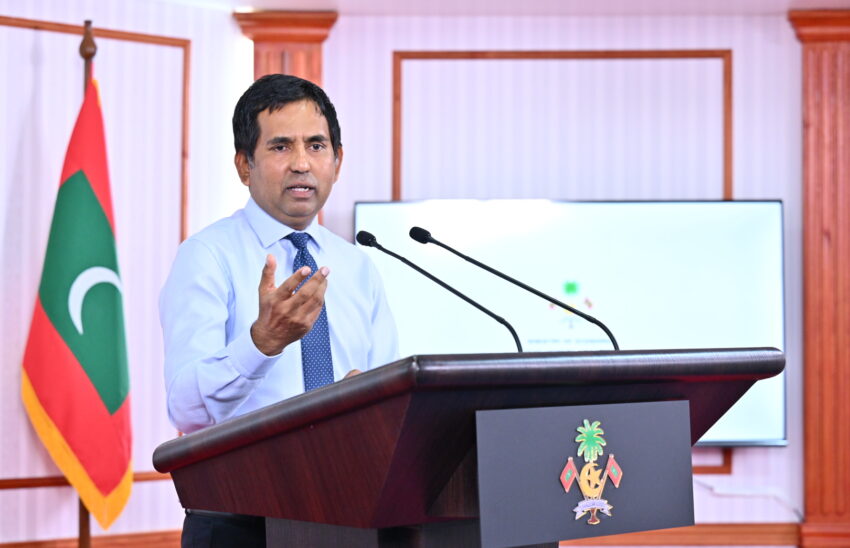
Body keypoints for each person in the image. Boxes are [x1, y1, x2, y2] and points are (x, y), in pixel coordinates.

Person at [159, 74, 399, 547]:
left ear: (337, 161)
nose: (302, 163)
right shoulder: (207, 256)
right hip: (240, 519)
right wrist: (261, 343)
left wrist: (373, 399)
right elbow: (186, 408)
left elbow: (387, 388)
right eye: (281, 147)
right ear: (244, 165)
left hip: (348, 513)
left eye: (316, 145)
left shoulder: (357, 265)